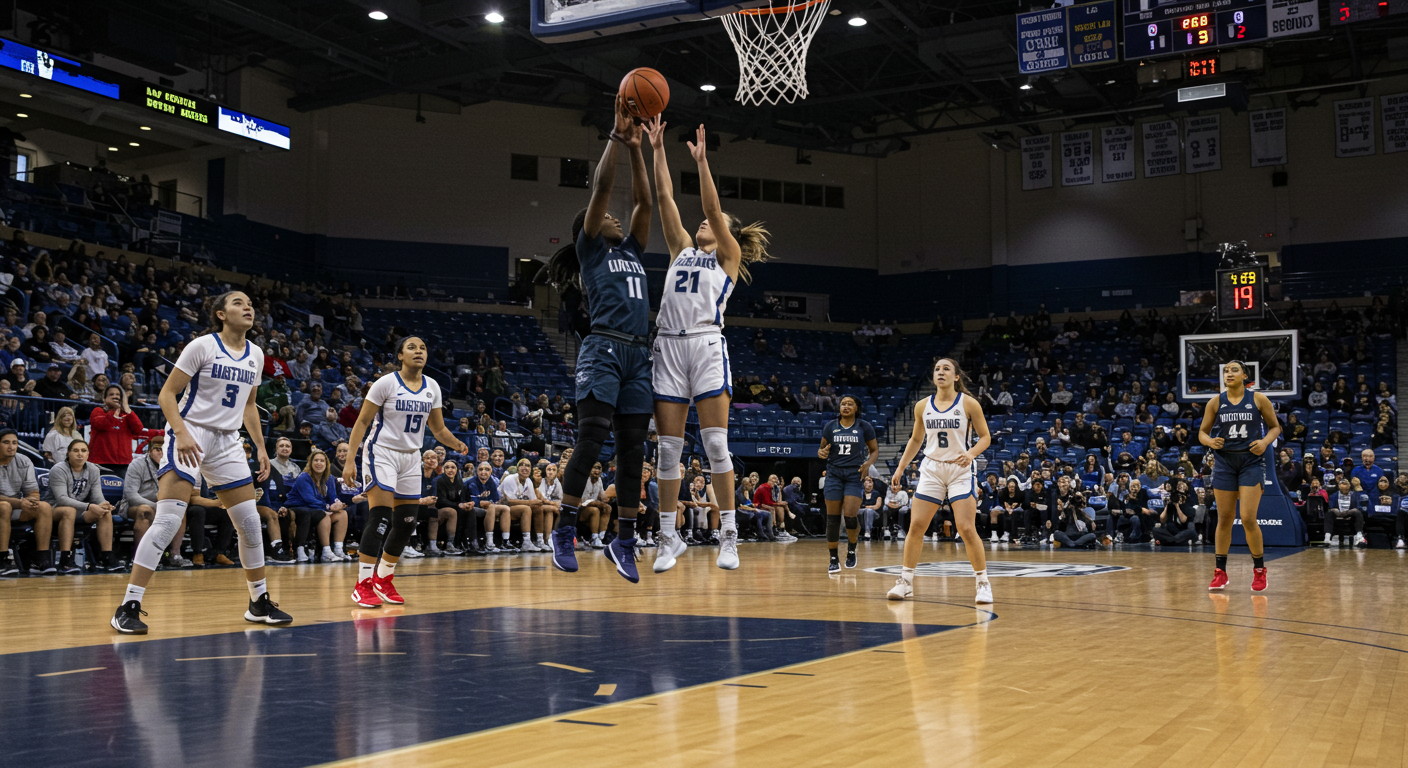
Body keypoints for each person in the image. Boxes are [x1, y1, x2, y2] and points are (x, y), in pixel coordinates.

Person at [110, 291, 291, 635]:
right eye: (239, 302)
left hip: (227, 440)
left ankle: (259, 602)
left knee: (250, 524)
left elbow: (249, 406)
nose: (248, 307)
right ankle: (127, 605)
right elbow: (167, 394)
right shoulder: (202, 346)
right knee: (166, 522)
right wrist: (180, 432)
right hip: (190, 431)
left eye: (251, 303)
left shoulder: (255, 354)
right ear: (221, 314)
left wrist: (261, 447)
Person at [644, 116, 771, 575]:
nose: (702, 221)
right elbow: (663, 199)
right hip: (668, 348)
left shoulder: (728, 257)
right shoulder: (680, 250)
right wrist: (657, 148)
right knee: (668, 451)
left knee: (716, 445)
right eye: (700, 221)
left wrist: (701, 163)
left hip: (704, 345)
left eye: (712, 222)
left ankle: (730, 534)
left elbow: (713, 209)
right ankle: (667, 536)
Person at [544, 102, 654, 583]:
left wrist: (637, 150)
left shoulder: (630, 249)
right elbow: (602, 189)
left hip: (637, 352)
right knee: (591, 441)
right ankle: (564, 530)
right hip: (604, 349)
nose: (613, 217)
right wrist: (614, 136)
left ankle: (623, 539)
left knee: (634, 453)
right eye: (604, 216)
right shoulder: (592, 249)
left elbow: (644, 205)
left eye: (613, 216)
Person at [344, 337, 468, 608]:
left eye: (423, 347)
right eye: (412, 347)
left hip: (411, 457)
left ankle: (383, 578)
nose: (419, 351)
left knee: (408, 521)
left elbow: (437, 429)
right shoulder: (385, 383)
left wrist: (456, 443)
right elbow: (363, 421)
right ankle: (362, 583)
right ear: (400, 355)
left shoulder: (432, 386)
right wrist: (350, 460)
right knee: (380, 517)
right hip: (382, 453)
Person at [887, 358, 994, 604]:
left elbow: (985, 437)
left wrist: (970, 453)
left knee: (966, 528)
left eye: (946, 368)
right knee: (916, 526)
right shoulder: (922, 406)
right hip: (932, 468)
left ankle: (983, 583)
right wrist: (901, 467)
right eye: (937, 369)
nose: (941, 372)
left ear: (956, 376)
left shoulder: (969, 403)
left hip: (960, 469)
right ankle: (905, 582)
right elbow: (916, 440)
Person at [1199, 360, 1282, 593]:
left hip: (1250, 462)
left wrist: (1265, 442)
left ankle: (1259, 570)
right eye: (1225, 370)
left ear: (1245, 375)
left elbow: (1275, 428)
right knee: (1224, 519)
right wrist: (1210, 441)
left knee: (1247, 518)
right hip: (1225, 462)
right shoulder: (1215, 402)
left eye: (1234, 370)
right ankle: (1220, 572)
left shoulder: (1258, 399)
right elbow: (1202, 433)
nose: (1229, 373)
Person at [818, 394, 878, 572]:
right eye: (843, 404)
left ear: (856, 408)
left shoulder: (864, 427)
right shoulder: (830, 427)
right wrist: (821, 453)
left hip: (854, 474)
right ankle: (833, 558)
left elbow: (874, 450)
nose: (845, 406)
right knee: (832, 519)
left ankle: (852, 549)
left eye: (850, 404)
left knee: (850, 517)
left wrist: (868, 463)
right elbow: (822, 449)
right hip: (834, 474)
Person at [49, 439, 123, 571]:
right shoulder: (58, 469)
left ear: (88, 454)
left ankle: (106, 557)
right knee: (69, 511)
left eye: (83, 451)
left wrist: (104, 504)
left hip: (80, 509)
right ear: (68, 453)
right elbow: (61, 499)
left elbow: (97, 496)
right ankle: (65, 560)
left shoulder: (93, 469)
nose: (80, 454)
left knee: (105, 512)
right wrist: (89, 506)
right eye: (75, 451)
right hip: (54, 510)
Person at [0, 429, 54, 576]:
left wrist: (32, 500)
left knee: (43, 507)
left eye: (14, 443)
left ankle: (40, 559)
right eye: (6, 442)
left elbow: (33, 491)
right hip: (6, 506)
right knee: (4, 507)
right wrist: (18, 503)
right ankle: (2, 559)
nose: (11, 446)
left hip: (14, 506)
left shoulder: (24, 460)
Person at [286, 448, 349, 563]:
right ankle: (326, 552)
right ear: (310, 463)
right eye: (316, 460)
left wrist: (337, 503)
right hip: (299, 507)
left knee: (342, 514)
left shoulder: (329, 478)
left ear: (326, 464)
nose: (319, 463)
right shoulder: (304, 477)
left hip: (317, 509)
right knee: (322, 514)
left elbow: (332, 497)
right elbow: (309, 500)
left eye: (322, 461)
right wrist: (328, 507)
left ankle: (339, 550)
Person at [89, 384, 148, 472]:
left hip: (123, 463)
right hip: (101, 462)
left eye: (118, 395)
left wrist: (128, 410)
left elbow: (138, 429)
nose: (115, 397)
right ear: (104, 399)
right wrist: (114, 411)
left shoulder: (127, 415)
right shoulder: (98, 411)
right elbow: (102, 425)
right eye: (111, 394)